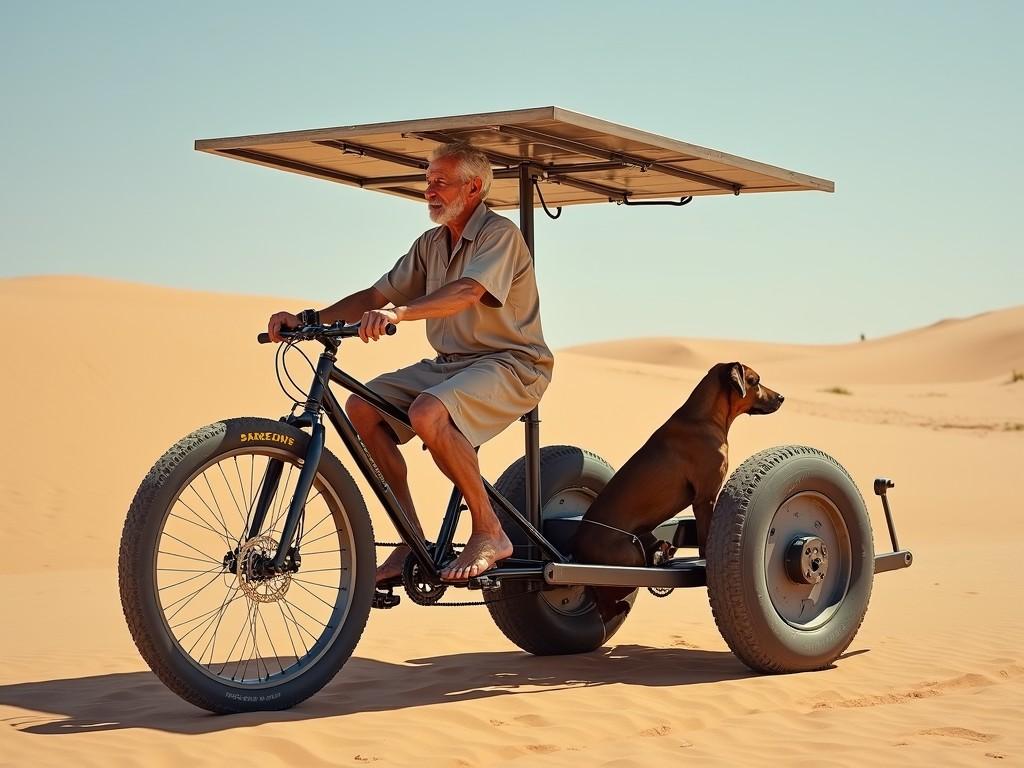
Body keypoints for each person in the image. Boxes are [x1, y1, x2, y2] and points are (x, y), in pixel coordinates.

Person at [267, 141, 553, 583]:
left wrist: (400, 314)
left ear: (474, 187)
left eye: (441, 182)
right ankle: (410, 538)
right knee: (362, 408)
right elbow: (374, 296)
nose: (429, 191)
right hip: (451, 363)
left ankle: (490, 530)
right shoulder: (431, 244)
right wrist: (309, 319)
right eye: (427, 181)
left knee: (427, 410)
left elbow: (467, 292)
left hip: (511, 363)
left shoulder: (500, 235)